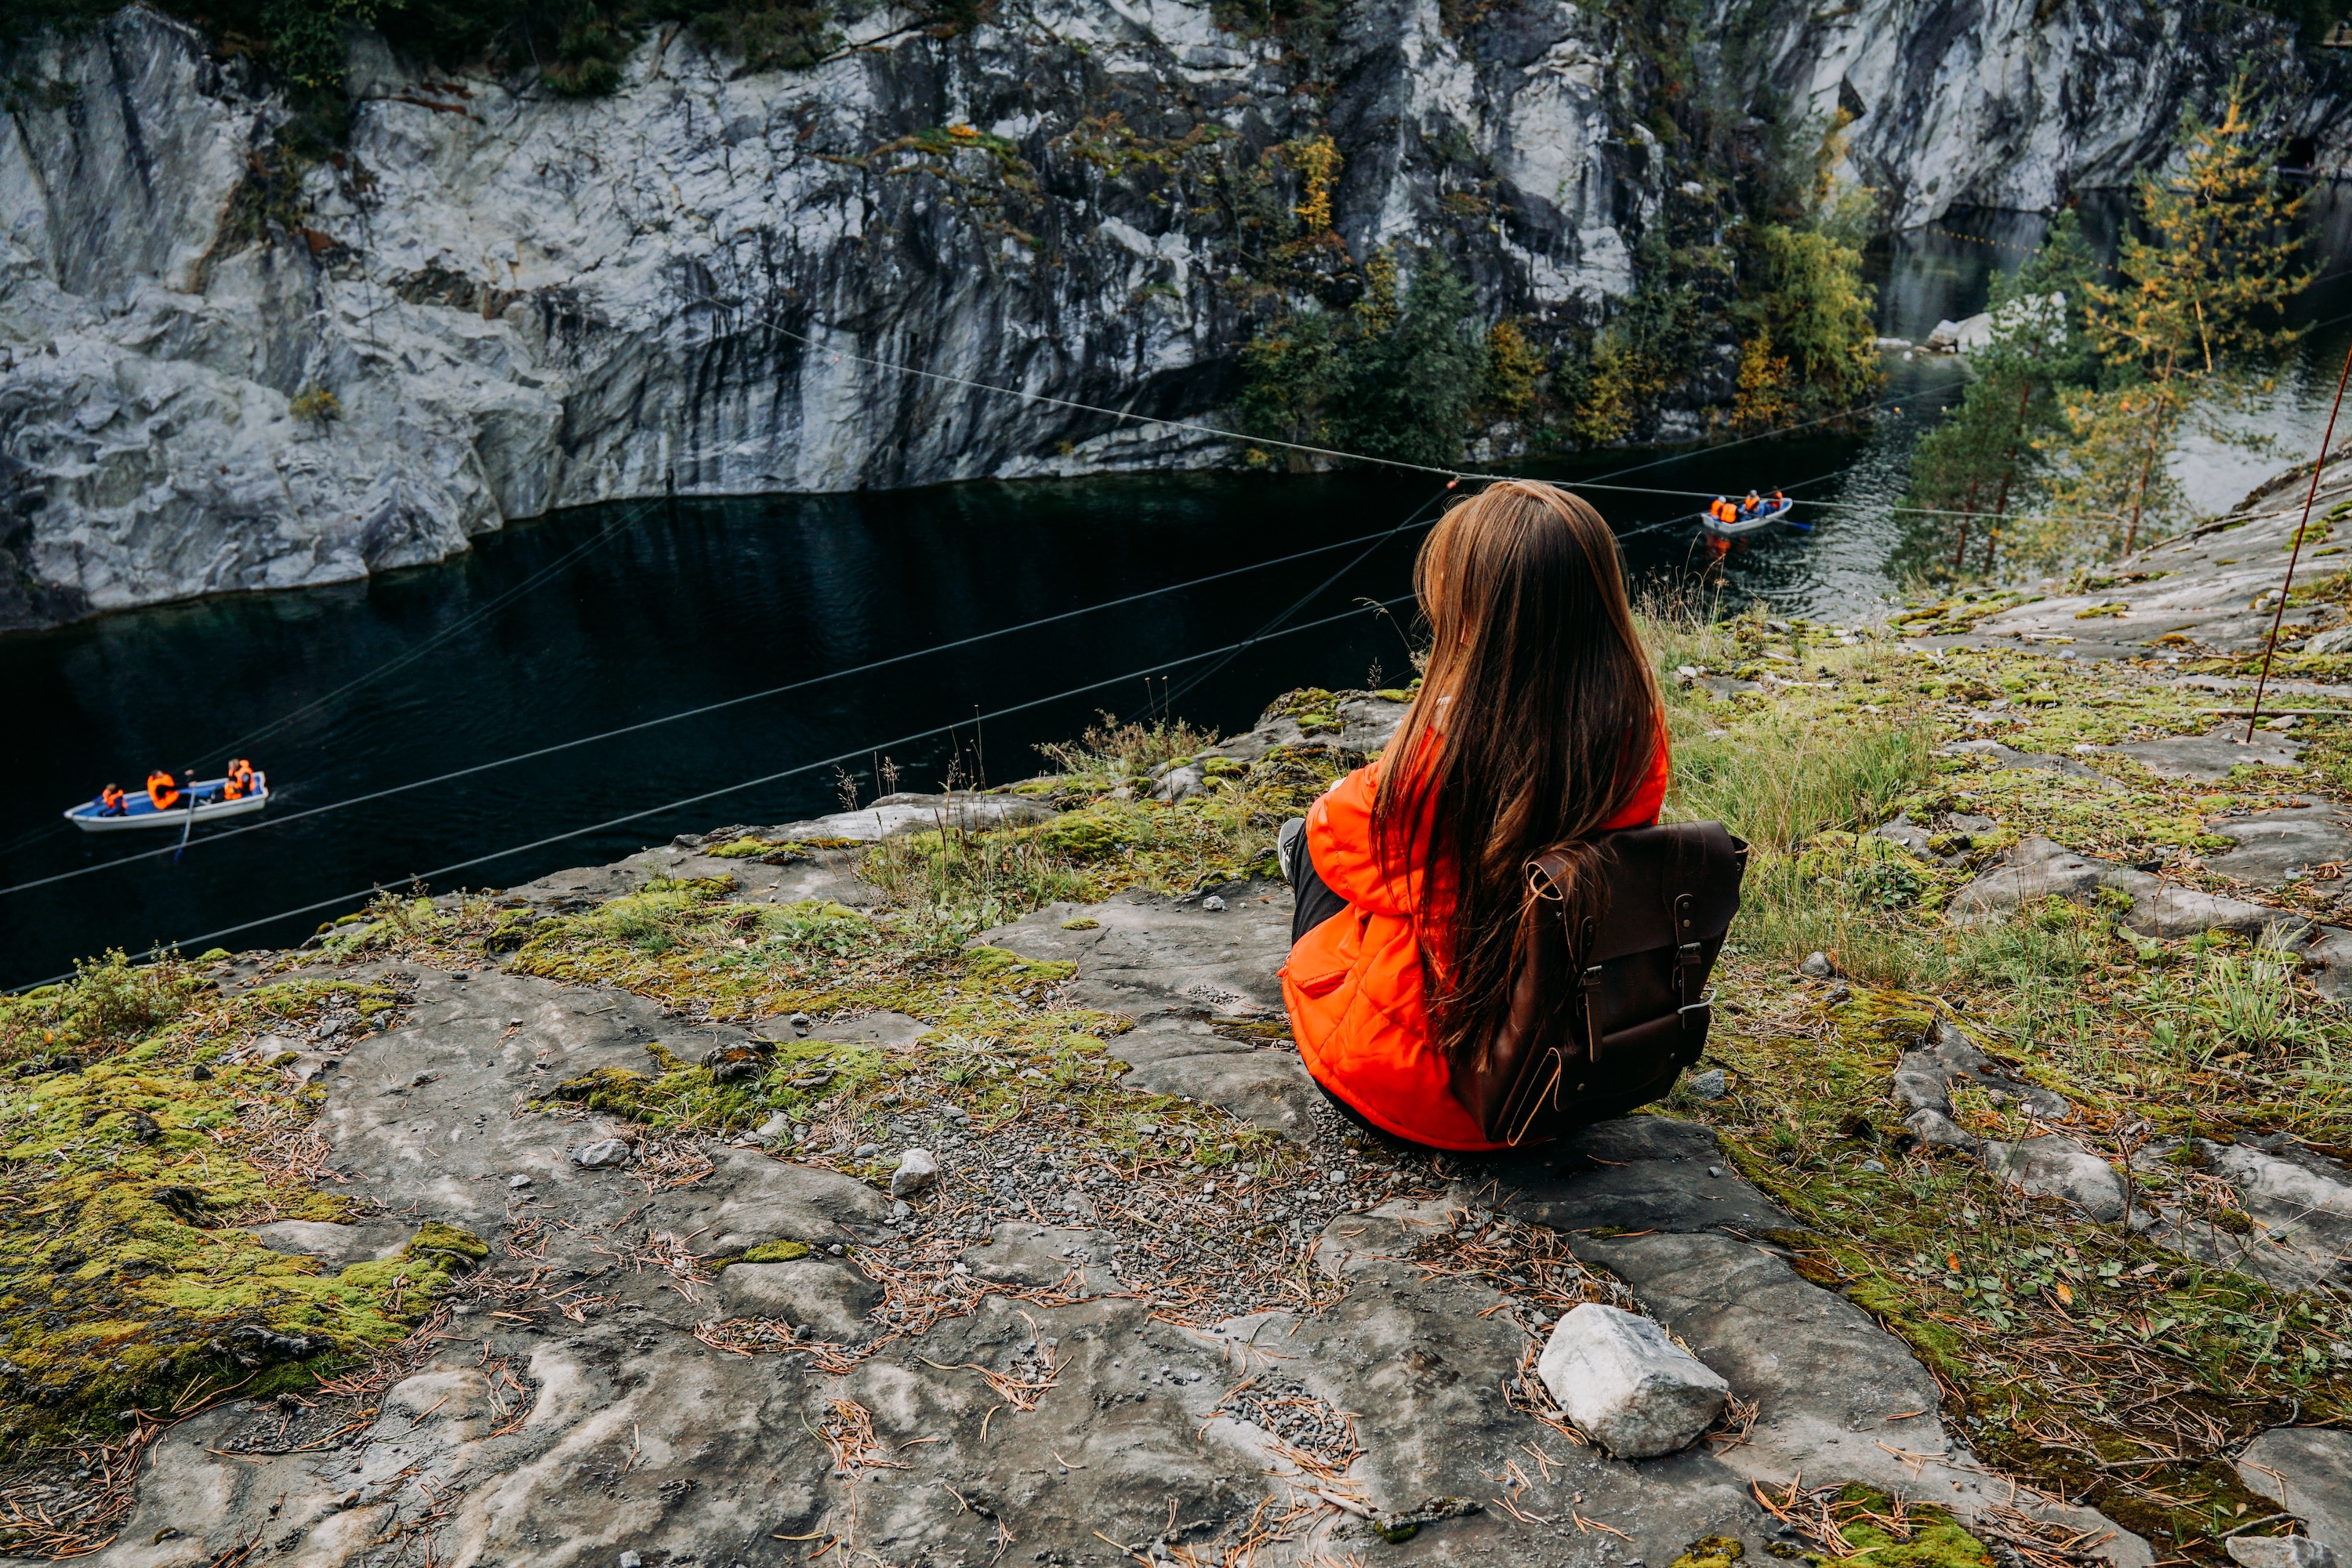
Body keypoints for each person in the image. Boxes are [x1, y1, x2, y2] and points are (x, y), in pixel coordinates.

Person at [1276, 479, 1671, 1153]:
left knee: (1305, 842)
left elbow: (1338, 836)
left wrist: (1384, 766)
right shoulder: (1636, 733)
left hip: (1422, 1093)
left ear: (1472, 614)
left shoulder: (1441, 753)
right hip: (1564, 1074)